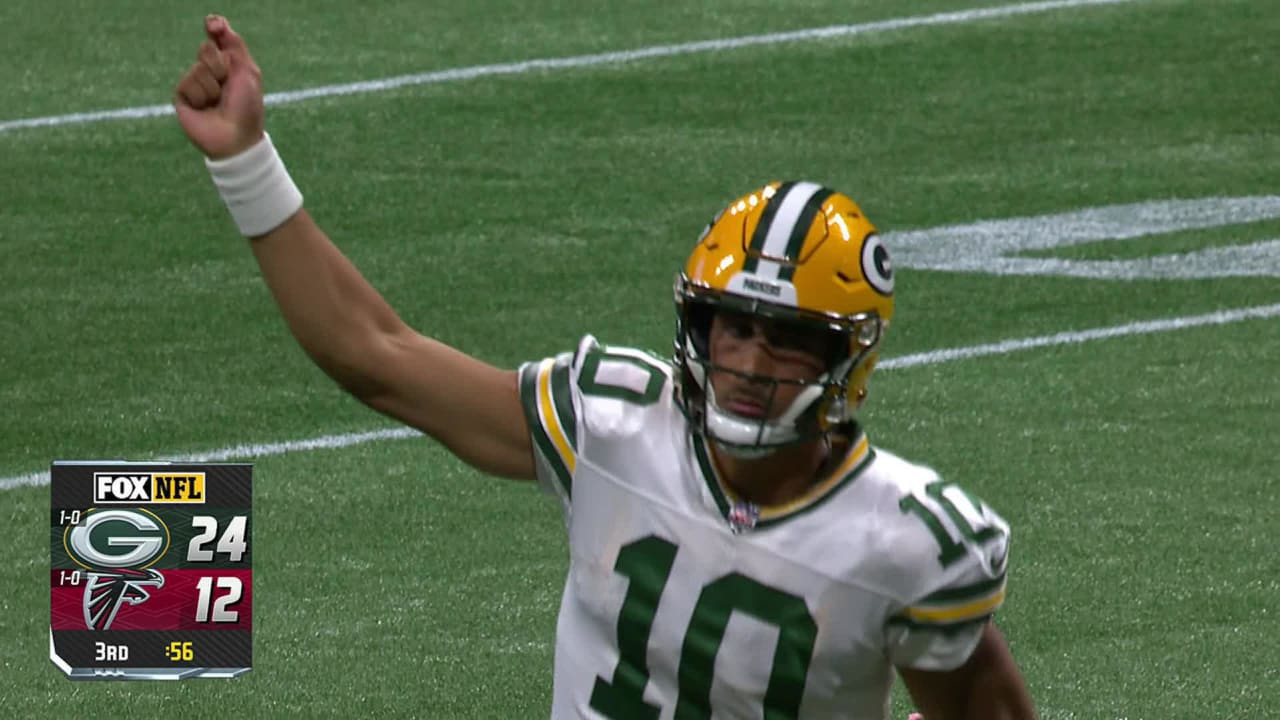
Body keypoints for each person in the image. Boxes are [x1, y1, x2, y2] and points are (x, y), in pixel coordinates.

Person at [174, 15, 1038, 719]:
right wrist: (245, 163)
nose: (746, 360)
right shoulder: (613, 421)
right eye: (729, 327)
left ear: (845, 359)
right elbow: (377, 357)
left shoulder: (907, 540)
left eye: (785, 338)